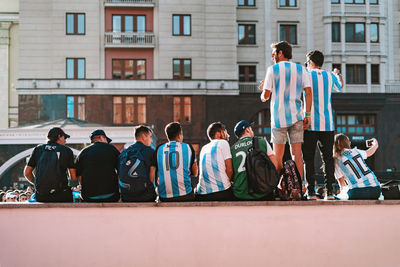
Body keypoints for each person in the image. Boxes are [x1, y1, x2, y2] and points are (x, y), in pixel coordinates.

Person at [259, 41, 312, 180]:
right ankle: (300, 187)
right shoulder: (301, 69)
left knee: (278, 156)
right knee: (297, 154)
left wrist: (262, 90)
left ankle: (277, 186)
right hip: (297, 116)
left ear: (280, 53)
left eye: (274, 52)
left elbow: (265, 96)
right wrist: (308, 114)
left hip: (278, 119)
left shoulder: (272, 70)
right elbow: (308, 92)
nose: (272, 55)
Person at [302, 50, 343, 200]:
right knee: (328, 159)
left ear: (311, 62)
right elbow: (340, 86)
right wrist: (337, 73)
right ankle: (330, 191)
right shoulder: (330, 76)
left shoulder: (306, 75)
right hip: (328, 124)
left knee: (309, 158)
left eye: (307, 63)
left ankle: (311, 191)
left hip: (310, 124)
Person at [24, 127, 76, 202]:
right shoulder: (66, 150)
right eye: (64, 138)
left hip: (42, 195)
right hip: (62, 194)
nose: (65, 141)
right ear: (59, 136)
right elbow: (73, 175)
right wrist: (73, 186)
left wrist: (36, 182)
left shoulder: (38, 149)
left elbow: (27, 173)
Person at [150, 122, 198, 202]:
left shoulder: (159, 149)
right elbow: (195, 173)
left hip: (164, 196)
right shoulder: (188, 147)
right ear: (179, 135)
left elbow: (152, 173)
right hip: (185, 195)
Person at [231, 120, 278, 200]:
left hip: (240, 194)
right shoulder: (261, 141)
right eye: (251, 128)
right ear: (247, 130)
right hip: (262, 191)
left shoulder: (232, 149)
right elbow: (275, 165)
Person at [75, 129, 120, 202]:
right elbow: (121, 170)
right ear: (102, 137)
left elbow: (79, 176)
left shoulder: (83, 152)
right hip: (111, 194)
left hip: (89, 196)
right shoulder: (112, 149)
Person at [333, 133, 381, 200]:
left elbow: (342, 184)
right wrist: (375, 144)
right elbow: (369, 152)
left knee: (338, 197)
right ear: (347, 142)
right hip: (375, 190)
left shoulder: (337, 160)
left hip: (356, 192)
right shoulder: (355, 151)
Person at [196, 122, 234, 201]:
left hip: (202, 194)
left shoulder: (204, 148)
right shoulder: (223, 143)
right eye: (224, 132)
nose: (227, 135)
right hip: (221, 192)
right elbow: (230, 170)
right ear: (218, 134)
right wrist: (228, 184)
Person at [120, 125, 157, 202]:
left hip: (126, 196)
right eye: (150, 137)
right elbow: (151, 175)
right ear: (144, 136)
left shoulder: (125, 152)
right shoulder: (150, 151)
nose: (151, 140)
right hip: (145, 196)